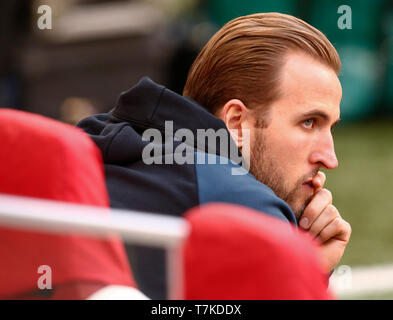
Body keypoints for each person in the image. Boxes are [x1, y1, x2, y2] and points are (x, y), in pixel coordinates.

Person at [78, 12, 351, 299]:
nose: (330, 158)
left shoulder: (94, 141)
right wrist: (300, 266)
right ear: (236, 122)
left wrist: (303, 264)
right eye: (309, 122)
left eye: (330, 128)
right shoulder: (243, 202)